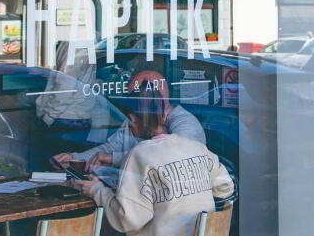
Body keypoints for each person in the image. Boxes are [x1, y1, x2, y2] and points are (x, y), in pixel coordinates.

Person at [74, 81, 234, 236]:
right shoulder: (197, 148)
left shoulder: (139, 155)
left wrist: (97, 190)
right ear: (165, 114)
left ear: (132, 119)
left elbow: (128, 220)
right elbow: (225, 188)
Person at [52, 71, 205, 173]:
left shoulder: (185, 124)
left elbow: (170, 157)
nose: (136, 101)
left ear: (160, 101)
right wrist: (74, 158)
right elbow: (109, 148)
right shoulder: (136, 120)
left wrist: (113, 159)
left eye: (141, 97)